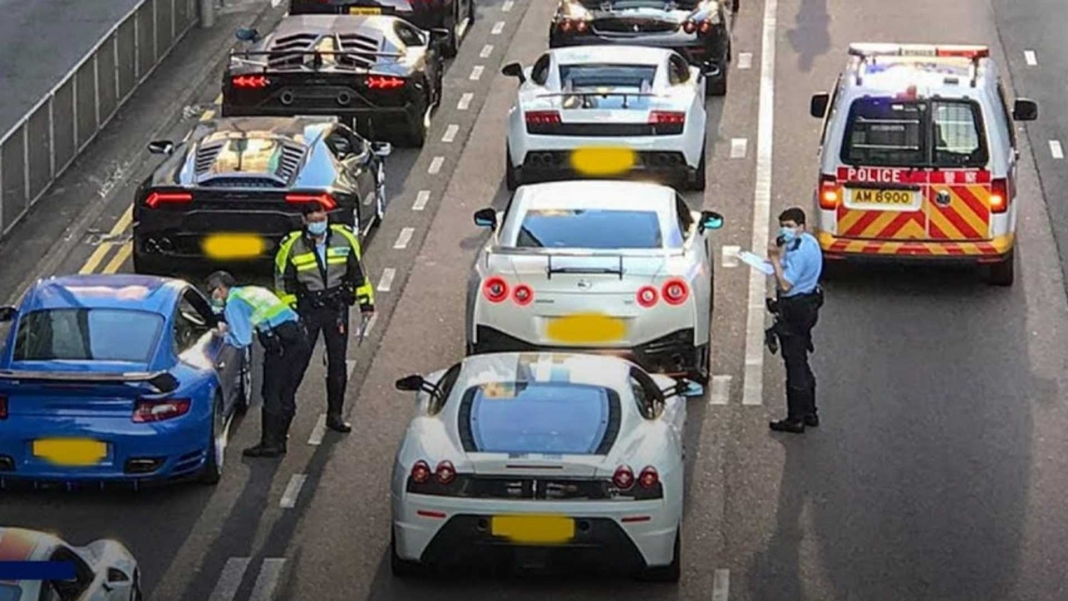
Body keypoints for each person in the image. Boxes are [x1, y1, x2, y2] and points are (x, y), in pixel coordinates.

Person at [275, 202, 375, 434]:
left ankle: (335, 415)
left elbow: (358, 274)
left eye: (322, 218)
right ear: (305, 221)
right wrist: (291, 314)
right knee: (297, 362)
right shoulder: (292, 247)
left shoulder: (343, 239)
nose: (319, 223)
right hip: (308, 310)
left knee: (337, 364)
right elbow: (284, 283)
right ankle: (283, 416)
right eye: (314, 220)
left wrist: (366, 304)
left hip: (336, 308)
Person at [207, 271, 310, 458]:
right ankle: (280, 439)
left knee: (271, 392)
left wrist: (221, 336)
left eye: (213, 292)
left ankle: (270, 444)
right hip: (299, 337)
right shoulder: (249, 291)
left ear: (221, 289)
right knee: (287, 391)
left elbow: (242, 339)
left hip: (281, 346)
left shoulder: (233, 303)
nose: (213, 297)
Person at [766, 207, 824, 434]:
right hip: (807, 305)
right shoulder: (808, 242)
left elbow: (786, 284)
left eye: (789, 226)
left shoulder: (800, 252)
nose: (785, 230)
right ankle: (810, 412)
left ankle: (796, 418)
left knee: (795, 363)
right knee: (801, 359)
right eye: (782, 225)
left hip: (795, 310)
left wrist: (773, 259)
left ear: (801, 226)